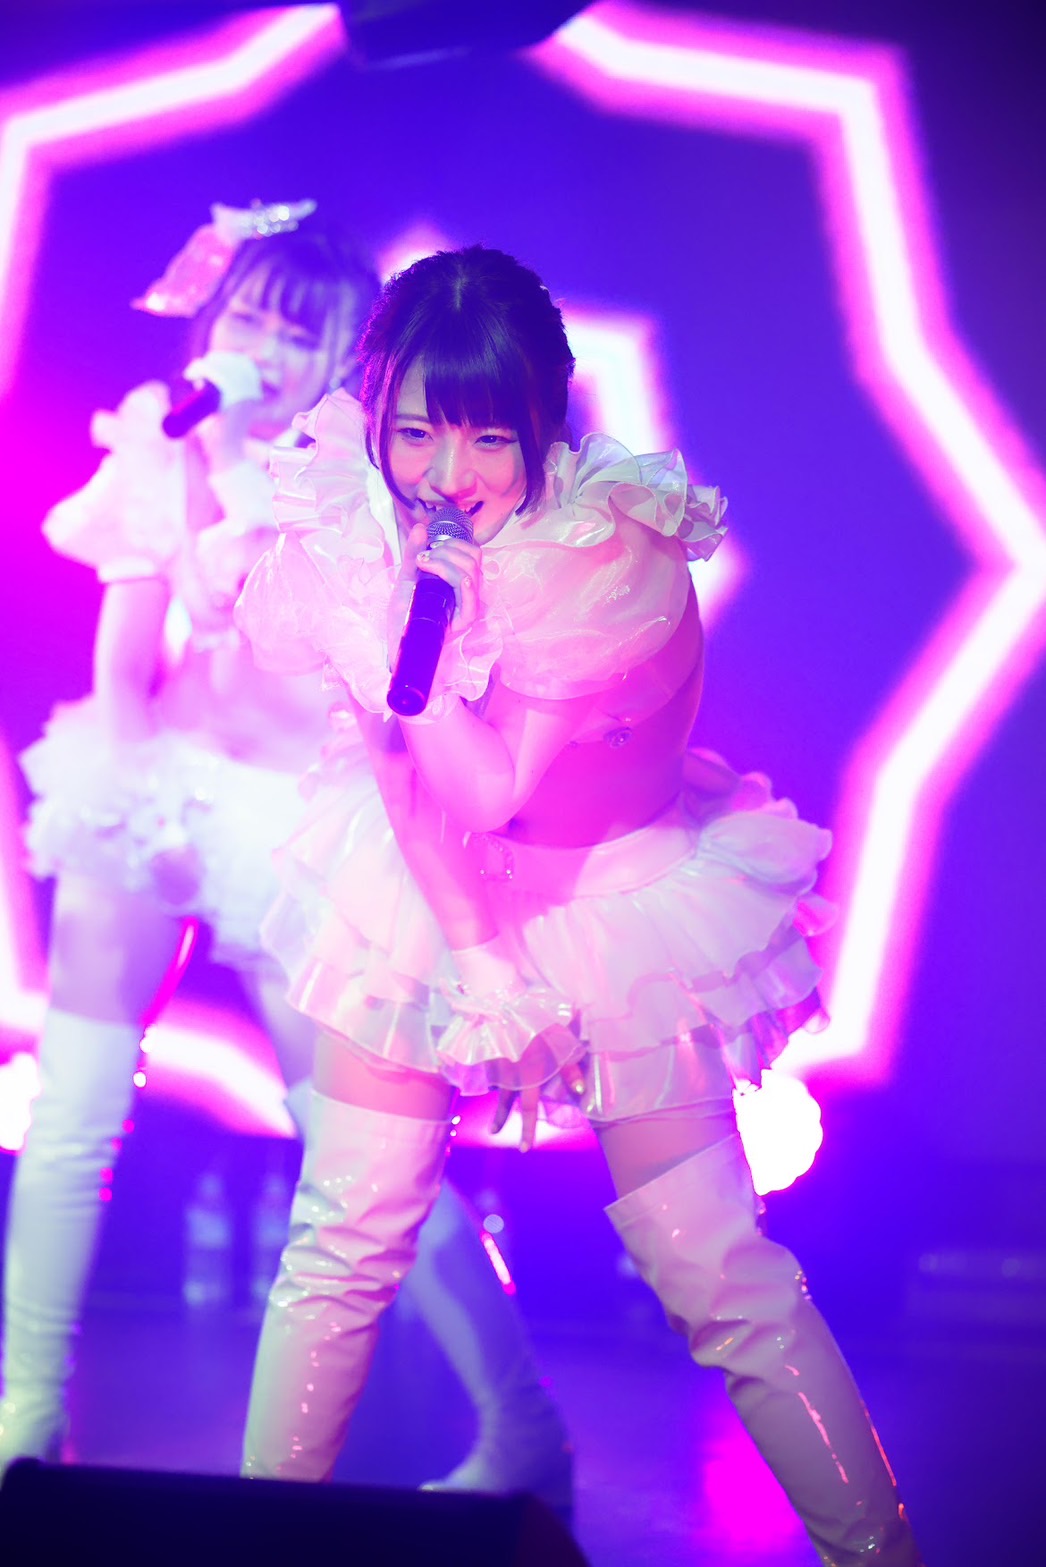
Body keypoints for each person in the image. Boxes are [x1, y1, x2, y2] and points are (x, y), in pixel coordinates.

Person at [235, 246, 923, 1565]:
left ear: (543, 424)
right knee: (340, 1242)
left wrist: (412, 632)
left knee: (717, 1275)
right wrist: (478, 954)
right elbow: (404, 783)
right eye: (415, 431)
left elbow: (490, 788)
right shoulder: (362, 529)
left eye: (488, 436)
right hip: (433, 888)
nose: (446, 474)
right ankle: (253, 1548)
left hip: (611, 904)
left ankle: (879, 1552)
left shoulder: (604, 557)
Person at [0, 214, 572, 1505]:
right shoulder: (162, 441)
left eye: (293, 330)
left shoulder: (358, 481)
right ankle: (26, 1412)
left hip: (306, 819)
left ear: (342, 359)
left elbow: (334, 664)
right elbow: (127, 653)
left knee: (360, 1150)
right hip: (161, 785)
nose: (258, 346)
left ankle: (524, 1427)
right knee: (72, 1108)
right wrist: (131, 798)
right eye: (244, 317)